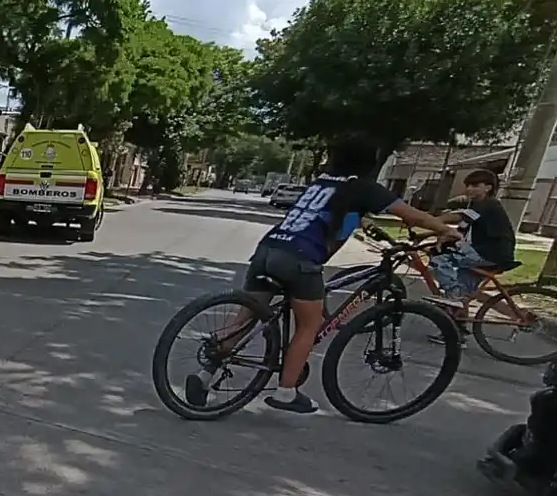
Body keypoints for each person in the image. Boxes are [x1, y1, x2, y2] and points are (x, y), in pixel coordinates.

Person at [187, 137, 461, 415]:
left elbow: (339, 213)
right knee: (309, 324)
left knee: (245, 319)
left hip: (268, 250)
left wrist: (365, 221)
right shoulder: (364, 188)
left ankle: (204, 375)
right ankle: (286, 392)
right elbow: (413, 215)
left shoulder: (323, 182)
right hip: (299, 259)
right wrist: (445, 230)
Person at [429, 168, 516, 305]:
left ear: (488, 188)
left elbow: (460, 217)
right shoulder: (476, 206)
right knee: (460, 296)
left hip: (490, 254)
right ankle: (457, 314)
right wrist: (428, 234)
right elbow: (462, 229)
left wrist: (429, 220)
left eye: (475, 186)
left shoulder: (489, 204)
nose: (469, 189)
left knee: (438, 256)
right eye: (468, 185)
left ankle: (453, 291)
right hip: (485, 253)